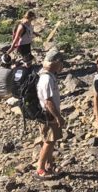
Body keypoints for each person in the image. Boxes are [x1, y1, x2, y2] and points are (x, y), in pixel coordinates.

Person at [36, 48, 67, 179]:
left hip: (45, 115)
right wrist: (58, 117)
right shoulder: (47, 79)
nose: (62, 65)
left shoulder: (45, 74)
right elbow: (48, 101)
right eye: (60, 62)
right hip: (48, 115)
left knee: (49, 141)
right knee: (49, 141)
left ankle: (49, 166)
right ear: (55, 62)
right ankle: (40, 169)